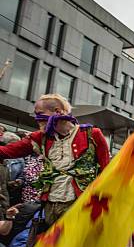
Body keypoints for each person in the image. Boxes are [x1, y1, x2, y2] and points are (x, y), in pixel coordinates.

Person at [0, 94, 110, 227]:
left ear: (57, 112)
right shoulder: (40, 138)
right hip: (50, 204)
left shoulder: (92, 134)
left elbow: (107, 170)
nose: (37, 119)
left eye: (40, 114)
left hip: (80, 203)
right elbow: (6, 151)